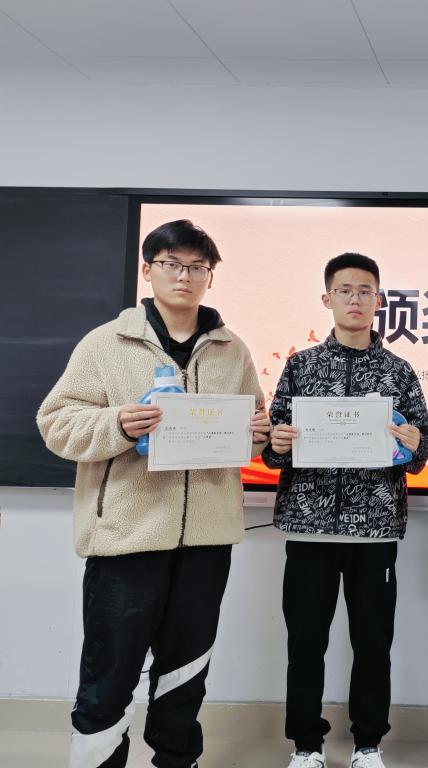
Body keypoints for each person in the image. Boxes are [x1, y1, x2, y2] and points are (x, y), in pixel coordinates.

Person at [37, 219, 270, 768]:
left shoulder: (232, 349)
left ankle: (176, 761)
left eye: (196, 267)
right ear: (148, 270)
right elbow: (56, 423)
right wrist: (118, 424)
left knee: (186, 671)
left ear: (210, 276)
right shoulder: (106, 343)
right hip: (126, 539)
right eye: (171, 264)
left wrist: (258, 434)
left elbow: (252, 425)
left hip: (206, 541)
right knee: (109, 673)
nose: (184, 276)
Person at [263, 253, 428, 768]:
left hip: (375, 530)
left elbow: (422, 450)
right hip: (309, 528)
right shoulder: (301, 366)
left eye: (365, 291)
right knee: (306, 643)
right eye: (345, 290)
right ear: (327, 298)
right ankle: (306, 745)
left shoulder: (399, 371)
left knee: (373, 643)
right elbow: (273, 447)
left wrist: (413, 443)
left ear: (378, 301)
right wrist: (279, 443)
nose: (355, 299)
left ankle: (368, 744)